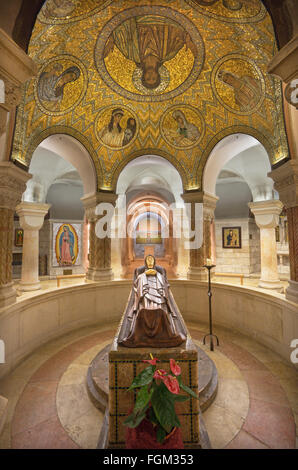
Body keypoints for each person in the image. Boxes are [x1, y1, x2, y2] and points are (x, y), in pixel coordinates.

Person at [103, 15, 197, 90]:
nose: (151, 76)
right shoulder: (168, 55)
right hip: (162, 17)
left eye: (148, 78)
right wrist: (188, 41)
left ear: (143, 76)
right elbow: (179, 36)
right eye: (154, 78)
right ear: (158, 75)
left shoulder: (132, 54)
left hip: (139, 15)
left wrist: (111, 41)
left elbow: (120, 34)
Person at [118, 255, 187, 347]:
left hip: (159, 298)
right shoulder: (141, 276)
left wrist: (157, 276)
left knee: (160, 310)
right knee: (144, 309)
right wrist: (144, 275)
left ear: (154, 262)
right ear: (145, 262)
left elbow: (165, 288)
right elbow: (137, 289)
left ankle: (162, 332)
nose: (150, 262)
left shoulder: (160, 275)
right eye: (148, 260)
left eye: (151, 260)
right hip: (145, 296)